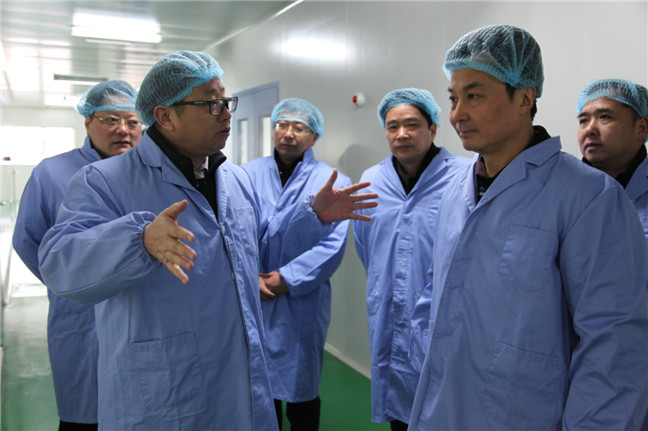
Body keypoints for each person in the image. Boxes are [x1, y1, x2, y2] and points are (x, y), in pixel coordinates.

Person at [37, 50, 377, 430]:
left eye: (226, 101)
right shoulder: (105, 181)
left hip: (241, 378)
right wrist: (139, 241)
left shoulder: (235, 178)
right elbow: (60, 266)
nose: (226, 113)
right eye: (211, 104)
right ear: (165, 116)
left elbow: (259, 249)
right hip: (166, 386)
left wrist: (312, 217)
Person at [407, 25, 648, 430]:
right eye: (453, 98)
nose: (457, 114)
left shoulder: (589, 197)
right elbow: (435, 293)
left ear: (524, 98)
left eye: (474, 96)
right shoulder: (454, 191)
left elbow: (613, 344)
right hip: (443, 408)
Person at [12, 79, 141, 431]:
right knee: (85, 414)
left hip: (142, 310)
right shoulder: (51, 173)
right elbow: (28, 238)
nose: (123, 130)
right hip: (80, 317)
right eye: (111, 120)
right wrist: (69, 281)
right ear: (87, 122)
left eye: (132, 121)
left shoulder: (152, 174)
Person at [352, 88, 470, 430]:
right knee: (399, 410)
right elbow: (366, 246)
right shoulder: (371, 179)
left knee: (445, 407)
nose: (401, 134)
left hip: (446, 314)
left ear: (432, 129)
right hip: (388, 308)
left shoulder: (463, 176)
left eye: (412, 125)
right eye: (392, 127)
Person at [241, 98, 350, 431]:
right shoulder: (245, 174)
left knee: (302, 386)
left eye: (299, 128)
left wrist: (285, 279)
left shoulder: (333, 180)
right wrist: (250, 277)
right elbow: (234, 230)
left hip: (302, 297)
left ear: (314, 137)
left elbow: (333, 245)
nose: (288, 134)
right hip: (253, 289)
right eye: (282, 125)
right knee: (258, 388)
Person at [577, 78, 648, 240]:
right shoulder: (559, 189)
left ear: (641, 128)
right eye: (583, 120)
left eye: (604, 117)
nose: (589, 130)